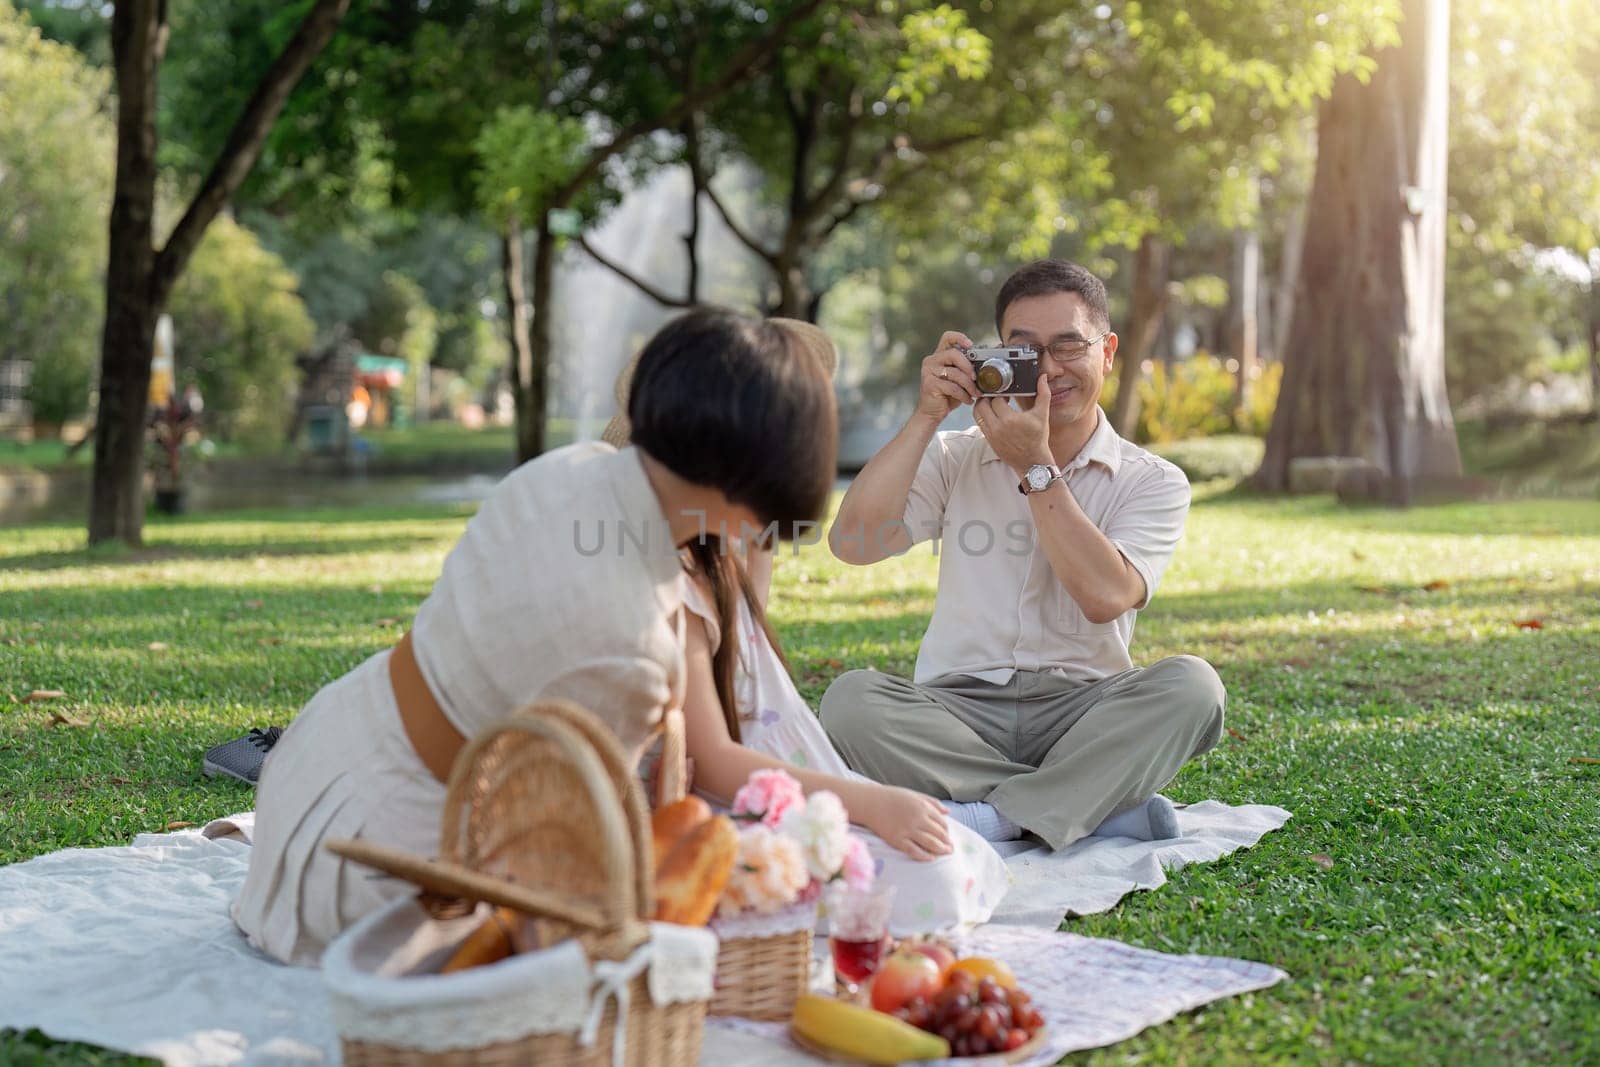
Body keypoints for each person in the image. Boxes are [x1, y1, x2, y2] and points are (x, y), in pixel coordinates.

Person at [231, 308, 838, 965]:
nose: (765, 540)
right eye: (766, 519)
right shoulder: (631, 643)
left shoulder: (568, 469)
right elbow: (576, 846)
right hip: (385, 859)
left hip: (323, 757)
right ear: (738, 488)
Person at [820, 260, 1225, 852]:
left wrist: (1033, 467)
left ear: (1107, 352)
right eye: (1025, 352)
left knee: (1194, 687)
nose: (1048, 370)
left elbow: (1105, 598)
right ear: (996, 358)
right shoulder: (954, 454)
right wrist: (927, 414)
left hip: (1083, 711)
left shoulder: (1154, 480)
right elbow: (852, 545)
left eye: (1068, 346)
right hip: (958, 709)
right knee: (851, 701)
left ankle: (991, 817)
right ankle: (1084, 809)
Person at [602, 353, 1008, 933]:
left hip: (778, 779)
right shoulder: (671, 582)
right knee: (934, 880)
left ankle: (962, 823)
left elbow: (744, 643)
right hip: (726, 804)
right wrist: (867, 804)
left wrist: (759, 537)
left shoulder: (712, 552)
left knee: (952, 858)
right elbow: (714, 762)